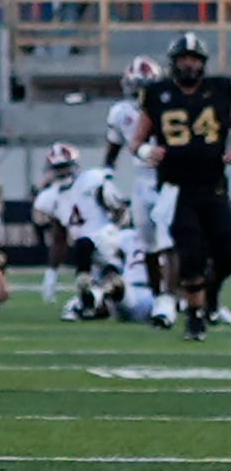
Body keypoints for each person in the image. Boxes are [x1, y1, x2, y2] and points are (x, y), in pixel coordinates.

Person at [132, 32, 231, 341]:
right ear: (174, 63)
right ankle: (195, 317)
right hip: (176, 189)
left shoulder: (221, 90)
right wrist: (147, 151)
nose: (190, 64)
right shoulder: (157, 93)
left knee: (226, 251)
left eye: (195, 59)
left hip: (214, 185)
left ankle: (210, 298)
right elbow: (136, 140)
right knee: (191, 254)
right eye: (184, 59)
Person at [31, 142, 126, 322]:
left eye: (64, 167)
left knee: (96, 255)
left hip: (108, 239)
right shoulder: (50, 197)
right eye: (57, 168)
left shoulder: (93, 180)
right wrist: (52, 272)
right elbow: (59, 237)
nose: (62, 172)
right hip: (87, 253)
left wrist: (121, 235)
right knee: (78, 305)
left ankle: (95, 294)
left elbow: (120, 211)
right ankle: (94, 297)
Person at [105, 55, 165, 300]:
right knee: (148, 242)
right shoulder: (120, 113)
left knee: (182, 240)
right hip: (142, 181)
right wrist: (106, 178)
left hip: (170, 178)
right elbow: (112, 152)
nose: (139, 92)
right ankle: (158, 297)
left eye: (144, 86)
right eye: (135, 85)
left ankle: (189, 297)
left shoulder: (169, 105)